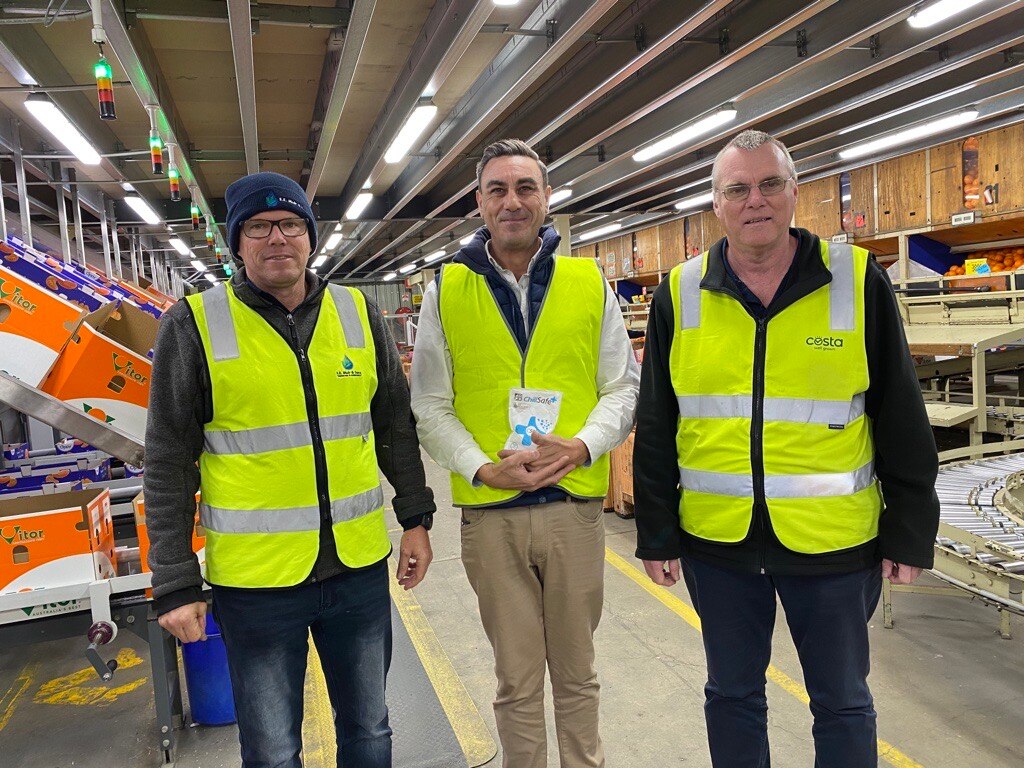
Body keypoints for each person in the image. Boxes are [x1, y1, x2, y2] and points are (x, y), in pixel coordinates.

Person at [633, 130, 939, 767]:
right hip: (719, 545)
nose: (756, 201)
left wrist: (910, 529)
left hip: (834, 545)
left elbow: (900, 413)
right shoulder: (680, 292)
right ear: (715, 204)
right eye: (737, 189)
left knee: (843, 703)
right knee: (733, 695)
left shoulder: (855, 280)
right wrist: (657, 532)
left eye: (770, 184)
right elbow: (657, 422)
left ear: (796, 192)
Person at [144, 171, 436, 768]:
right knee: (274, 747)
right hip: (256, 583)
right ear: (237, 243)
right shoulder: (195, 325)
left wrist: (416, 518)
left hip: (356, 569)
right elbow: (168, 462)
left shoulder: (358, 313)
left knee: (370, 730)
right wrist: (174, 581)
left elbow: (395, 429)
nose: (276, 238)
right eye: (258, 226)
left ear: (309, 236)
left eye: (290, 224)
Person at [410, 139, 638, 768]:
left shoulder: (588, 282)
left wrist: (584, 445)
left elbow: (623, 385)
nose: (513, 201)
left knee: (577, 674)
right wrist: (482, 467)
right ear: (479, 204)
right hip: (492, 514)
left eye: (526, 188)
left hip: (573, 508)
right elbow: (429, 405)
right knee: (515, 680)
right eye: (498, 190)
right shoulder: (445, 291)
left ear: (546, 198)